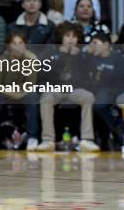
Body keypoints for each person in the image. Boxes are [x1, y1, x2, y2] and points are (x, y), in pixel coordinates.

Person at [36, 22, 100, 152]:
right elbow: (43, 76)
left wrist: (78, 57)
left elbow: (87, 78)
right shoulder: (51, 54)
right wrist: (60, 57)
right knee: (45, 99)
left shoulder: (83, 56)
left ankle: (87, 140)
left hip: (75, 89)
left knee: (88, 97)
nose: (71, 40)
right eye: (67, 36)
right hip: (56, 89)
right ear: (61, 37)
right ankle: (48, 140)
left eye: (74, 36)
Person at [0, 32, 40, 151]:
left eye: (21, 43)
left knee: (33, 96)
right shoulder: (2, 60)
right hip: (5, 93)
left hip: (23, 93)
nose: (18, 46)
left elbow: (31, 85)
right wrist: (12, 93)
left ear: (25, 45)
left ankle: (32, 137)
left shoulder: (31, 60)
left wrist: (20, 94)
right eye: (14, 43)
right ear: (9, 46)